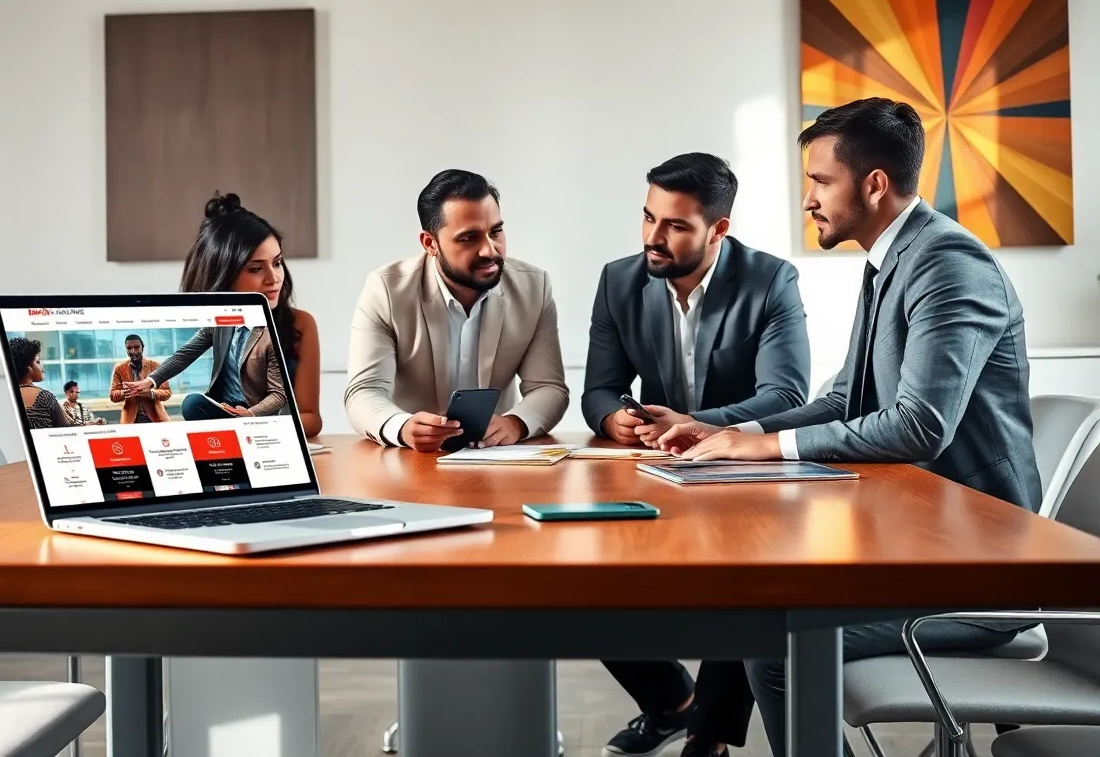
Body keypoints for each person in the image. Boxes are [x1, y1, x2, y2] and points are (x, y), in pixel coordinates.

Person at [650, 98, 1042, 757]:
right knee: (763, 604)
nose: (808, 199)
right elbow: (843, 401)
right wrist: (720, 431)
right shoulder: (893, 260)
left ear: (875, 184)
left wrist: (763, 446)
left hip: (979, 575)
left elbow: (920, 425)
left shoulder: (947, 264)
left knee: (771, 643)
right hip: (920, 545)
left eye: (820, 181)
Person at [585, 153, 810, 757]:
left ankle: (706, 739)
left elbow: (786, 395)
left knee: (747, 583)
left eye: (676, 226)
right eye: (648, 217)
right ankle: (671, 703)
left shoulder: (771, 280)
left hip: (745, 473)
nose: (653, 238)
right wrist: (617, 419)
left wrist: (697, 426)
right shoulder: (618, 279)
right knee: (586, 579)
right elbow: (599, 390)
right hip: (651, 468)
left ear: (719, 229)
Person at [344, 169, 568, 451]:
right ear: (430, 244)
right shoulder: (385, 291)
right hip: (411, 460)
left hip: (496, 458)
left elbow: (549, 387)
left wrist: (515, 423)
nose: (490, 250)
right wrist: (401, 427)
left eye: (495, 232)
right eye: (468, 238)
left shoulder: (534, 287)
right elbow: (364, 391)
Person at [121, 193, 302, 427]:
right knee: (191, 403)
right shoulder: (219, 323)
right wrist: (152, 381)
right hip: (221, 406)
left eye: (277, 263)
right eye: (256, 268)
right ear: (225, 276)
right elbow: (184, 354)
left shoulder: (269, 333)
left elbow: (279, 394)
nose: (274, 278)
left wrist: (250, 415)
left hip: (253, 414)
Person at [9, 337, 69, 430]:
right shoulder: (44, 397)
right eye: (38, 362)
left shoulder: (5, 397)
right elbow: (65, 429)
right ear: (29, 369)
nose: (42, 366)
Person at [110, 334, 172, 423]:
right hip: (130, 420)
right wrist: (124, 393)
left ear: (142, 347)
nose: (133, 351)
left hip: (155, 417)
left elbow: (167, 392)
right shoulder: (120, 368)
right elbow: (113, 395)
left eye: (136, 347)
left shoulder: (155, 366)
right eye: (129, 348)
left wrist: (151, 394)